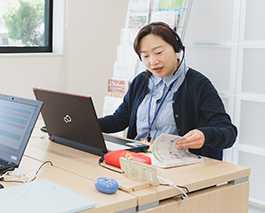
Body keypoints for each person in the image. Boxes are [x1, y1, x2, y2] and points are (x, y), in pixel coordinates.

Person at [98, 22, 237, 160]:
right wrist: (87, 125)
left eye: (159, 53)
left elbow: (228, 132)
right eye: (145, 56)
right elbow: (119, 120)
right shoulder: (140, 82)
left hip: (176, 165)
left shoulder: (198, 85)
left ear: (176, 48)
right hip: (138, 160)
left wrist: (205, 135)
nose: (153, 61)